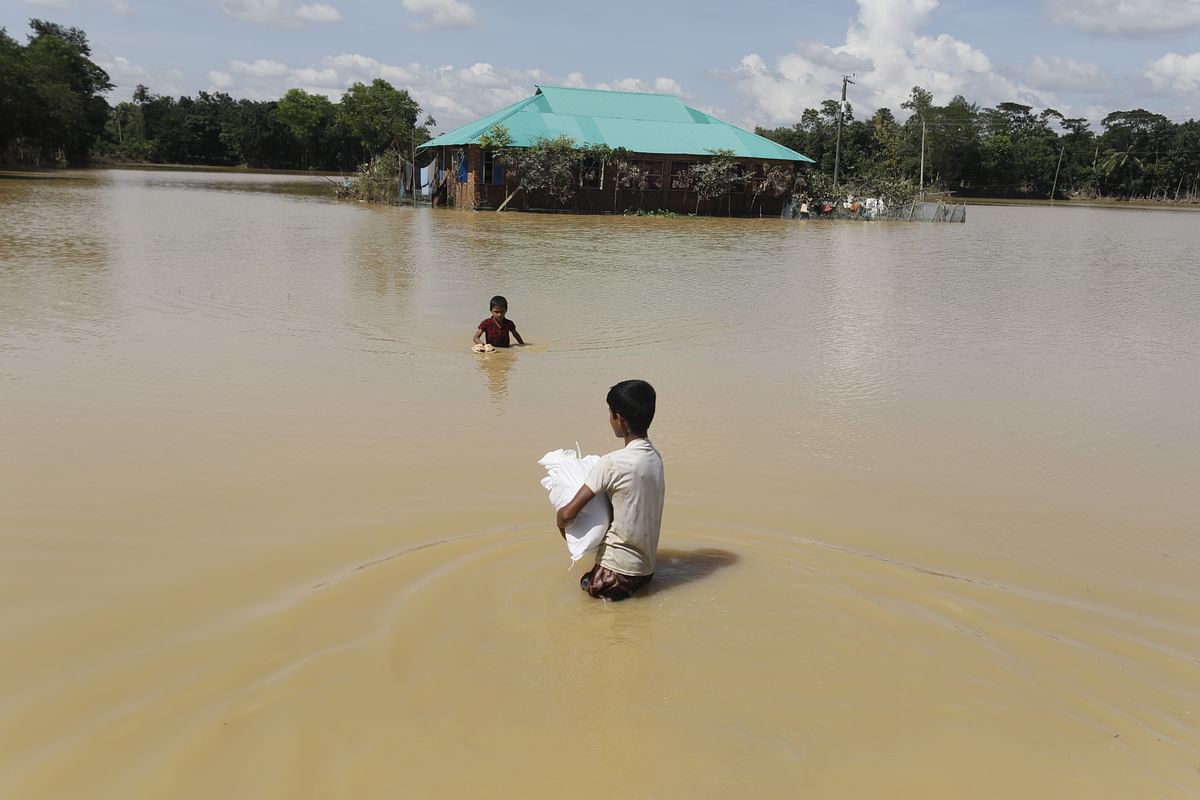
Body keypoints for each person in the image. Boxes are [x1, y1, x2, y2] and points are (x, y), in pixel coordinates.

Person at [556, 380, 665, 601]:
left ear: (620, 420)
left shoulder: (611, 463)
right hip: (646, 572)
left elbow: (568, 515)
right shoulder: (655, 458)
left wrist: (559, 521)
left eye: (610, 414)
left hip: (614, 575)